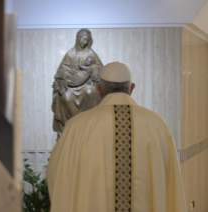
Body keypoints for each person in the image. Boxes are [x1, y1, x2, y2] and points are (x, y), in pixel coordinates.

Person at [47, 62, 187, 212]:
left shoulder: (76, 127)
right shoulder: (157, 125)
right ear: (131, 88)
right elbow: (171, 179)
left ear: (99, 90)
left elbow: (56, 174)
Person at [52, 29, 103, 137]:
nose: (84, 42)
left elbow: (100, 69)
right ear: (77, 38)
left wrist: (93, 69)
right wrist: (69, 73)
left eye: (86, 40)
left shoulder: (91, 54)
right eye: (82, 39)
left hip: (87, 84)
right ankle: (71, 126)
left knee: (91, 92)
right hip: (71, 85)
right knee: (66, 97)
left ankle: (88, 126)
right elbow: (61, 70)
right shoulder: (70, 54)